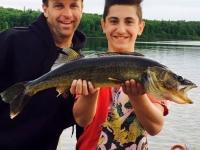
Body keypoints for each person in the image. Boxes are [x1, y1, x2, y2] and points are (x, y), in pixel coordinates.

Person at [71, 0, 169, 149]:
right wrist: (90, 95)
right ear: (104, 25)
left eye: (129, 21)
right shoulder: (89, 67)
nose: (121, 29)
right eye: (114, 21)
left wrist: (138, 97)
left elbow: (155, 127)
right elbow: (82, 120)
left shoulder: (151, 72)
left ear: (140, 27)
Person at [0, 0, 88, 150]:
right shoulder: (10, 41)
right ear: (45, 9)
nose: (67, 14)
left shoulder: (84, 68)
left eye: (73, 5)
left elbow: (81, 124)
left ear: (81, 9)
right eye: (59, 5)